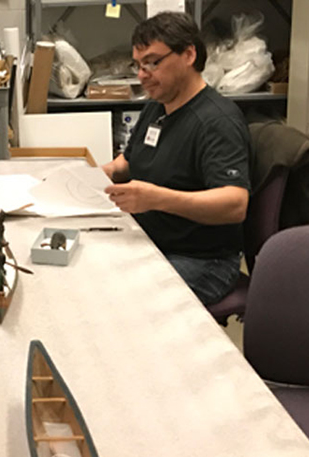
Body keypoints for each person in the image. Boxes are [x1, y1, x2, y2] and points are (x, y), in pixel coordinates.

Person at [101, 12, 250, 306]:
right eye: (138, 65)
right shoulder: (156, 108)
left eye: (153, 62)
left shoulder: (217, 121)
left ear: (189, 54)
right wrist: (86, 174)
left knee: (119, 300)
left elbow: (235, 204)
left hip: (204, 261)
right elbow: (126, 164)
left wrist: (155, 198)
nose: (142, 74)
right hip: (153, 243)